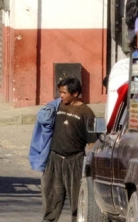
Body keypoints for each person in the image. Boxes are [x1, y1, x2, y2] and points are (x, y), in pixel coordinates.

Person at [40, 77, 95, 222]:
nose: (61, 95)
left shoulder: (87, 113)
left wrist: (90, 166)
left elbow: (93, 142)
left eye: (64, 93)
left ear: (75, 93)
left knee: (77, 201)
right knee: (51, 198)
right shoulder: (57, 106)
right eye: (60, 92)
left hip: (75, 162)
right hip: (54, 159)